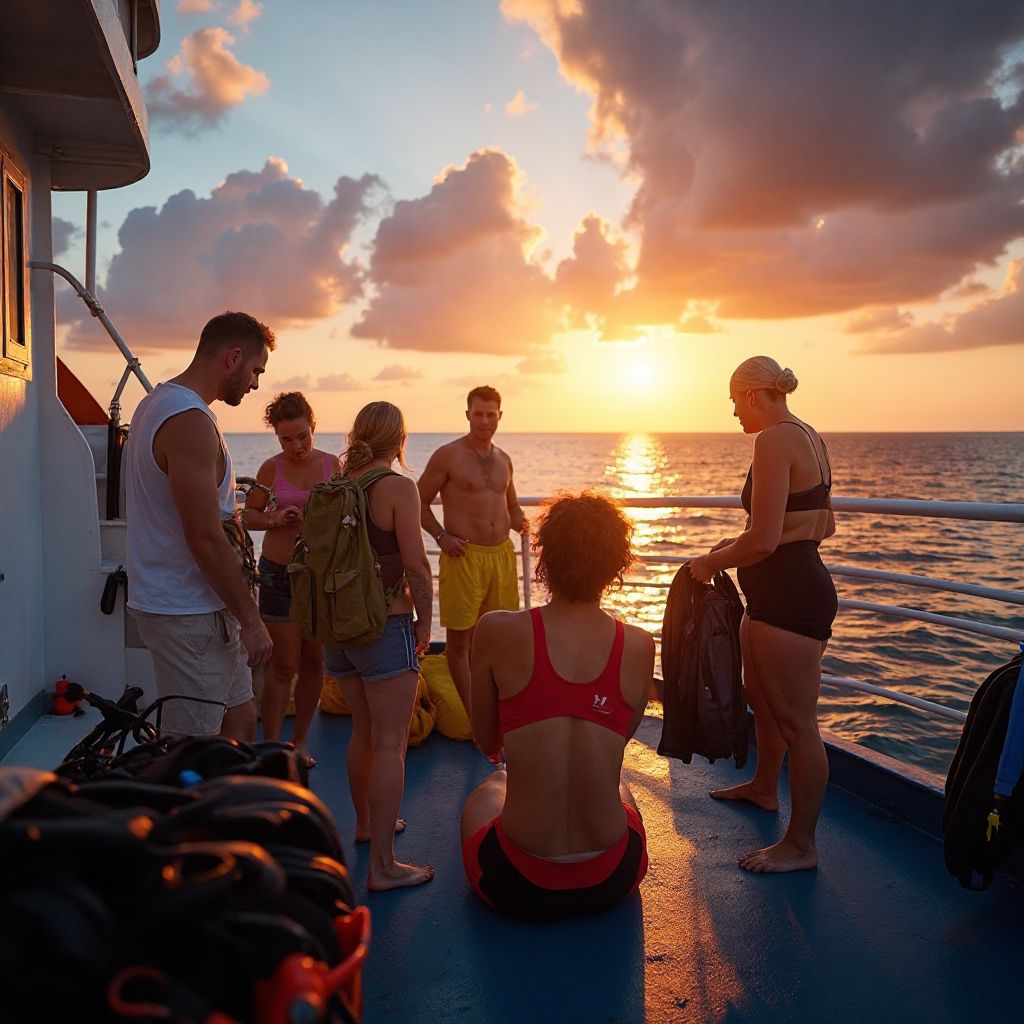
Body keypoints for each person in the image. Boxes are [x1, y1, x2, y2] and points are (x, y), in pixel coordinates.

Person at [461, 492, 654, 920]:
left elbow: (488, 740)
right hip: (613, 878)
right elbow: (618, 737)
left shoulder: (496, 630)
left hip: (513, 882)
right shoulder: (639, 644)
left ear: (543, 557)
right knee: (619, 785)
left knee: (491, 788)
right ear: (617, 565)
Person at [687, 355, 837, 874]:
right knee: (765, 704)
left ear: (753, 395)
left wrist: (711, 560)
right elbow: (823, 526)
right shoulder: (810, 436)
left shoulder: (771, 439)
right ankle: (763, 788)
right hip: (787, 584)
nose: (734, 414)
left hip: (790, 597)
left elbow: (767, 537)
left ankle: (801, 845)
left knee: (798, 723)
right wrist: (744, 544)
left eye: (734, 402)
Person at [124, 311, 275, 740]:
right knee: (191, 746)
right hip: (187, 612)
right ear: (233, 358)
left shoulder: (159, 402)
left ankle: (224, 804)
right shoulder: (187, 421)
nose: (255, 384)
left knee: (241, 720)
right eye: (255, 371)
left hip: (204, 606)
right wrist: (252, 621)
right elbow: (205, 536)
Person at [324, 402, 435, 891]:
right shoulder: (397, 488)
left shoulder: (335, 484)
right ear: (400, 440)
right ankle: (385, 867)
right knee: (391, 743)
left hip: (336, 629)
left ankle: (368, 825)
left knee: (363, 732)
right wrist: (425, 625)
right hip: (384, 628)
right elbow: (417, 566)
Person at [417, 386, 528, 717]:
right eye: (478, 414)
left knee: (499, 638)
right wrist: (440, 536)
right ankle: (472, 717)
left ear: (500, 416)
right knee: (460, 642)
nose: (484, 421)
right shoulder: (448, 455)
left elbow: (513, 506)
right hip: (463, 557)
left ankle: (495, 708)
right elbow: (418, 501)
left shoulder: (504, 459)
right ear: (468, 415)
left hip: (502, 558)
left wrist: (525, 524)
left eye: (490, 414)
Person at [243, 392, 337, 768]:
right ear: (276, 438)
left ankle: (298, 741)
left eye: (302, 436)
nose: (296, 446)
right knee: (283, 666)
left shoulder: (333, 466)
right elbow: (248, 516)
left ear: (313, 427)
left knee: (315, 662)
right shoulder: (270, 470)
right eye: (287, 439)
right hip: (279, 572)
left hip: (319, 576)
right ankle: (270, 746)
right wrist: (275, 519)